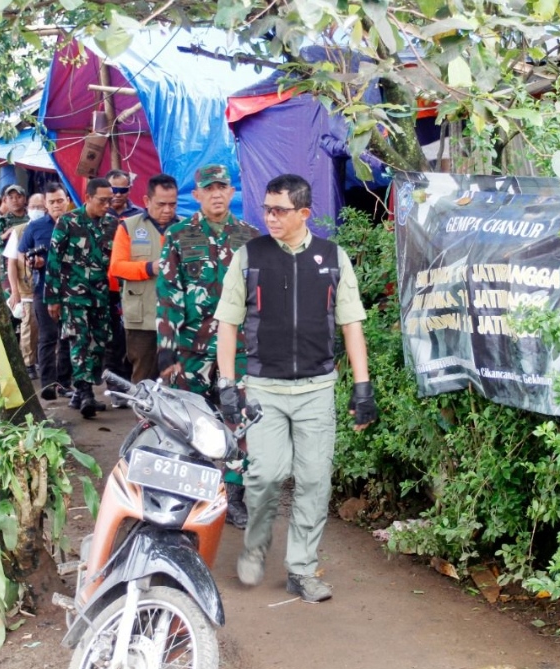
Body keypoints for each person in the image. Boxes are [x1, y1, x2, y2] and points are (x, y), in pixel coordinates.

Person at [215, 173, 377, 603]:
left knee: (313, 480)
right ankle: (255, 546)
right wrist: (227, 382)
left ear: (304, 212)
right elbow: (227, 324)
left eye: (280, 210)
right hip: (264, 387)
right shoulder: (248, 257)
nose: (271, 217)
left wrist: (363, 389)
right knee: (265, 475)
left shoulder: (332, 257)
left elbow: (351, 325)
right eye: (267, 208)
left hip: (317, 388)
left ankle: (301, 569)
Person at [156, 164, 258, 528]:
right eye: (208, 188)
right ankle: (183, 491)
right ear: (196, 195)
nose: (216, 194)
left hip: (240, 348)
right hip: (190, 350)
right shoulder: (179, 235)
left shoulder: (250, 237)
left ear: (232, 193)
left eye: (223, 187)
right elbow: (168, 293)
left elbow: (259, 299)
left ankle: (233, 496)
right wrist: (166, 348)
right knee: (183, 421)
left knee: (241, 421)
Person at [44, 178, 117, 418]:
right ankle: (85, 392)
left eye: (110, 200)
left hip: (100, 295)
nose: (107, 205)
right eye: (102, 200)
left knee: (99, 343)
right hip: (73, 296)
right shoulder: (68, 221)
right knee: (79, 340)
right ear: (87, 198)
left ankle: (80, 393)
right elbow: (53, 260)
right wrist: (52, 298)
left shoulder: (111, 223)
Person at [110, 173, 178, 383]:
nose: (167, 210)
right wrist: (150, 268)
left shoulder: (185, 230)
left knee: (175, 378)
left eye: (172, 204)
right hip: (142, 318)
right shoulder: (128, 227)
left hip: (176, 317)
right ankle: (143, 417)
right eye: (161, 204)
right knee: (143, 377)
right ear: (147, 201)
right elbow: (117, 268)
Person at [19, 182, 73, 400]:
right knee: (48, 337)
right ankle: (48, 384)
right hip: (43, 290)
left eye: (60, 200)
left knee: (68, 337)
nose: (57, 205)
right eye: (52, 202)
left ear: (67, 200)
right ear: (45, 204)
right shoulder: (35, 226)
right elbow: (23, 253)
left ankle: (65, 383)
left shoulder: (76, 224)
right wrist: (35, 262)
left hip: (72, 289)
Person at [101, 170, 137, 397]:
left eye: (122, 190)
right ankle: (114, 387)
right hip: (107, 290)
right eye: (113, 190)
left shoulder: (139, 217)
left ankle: (130, 384)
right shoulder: (99, 215)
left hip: (132, 288)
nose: (117, 195)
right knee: (111, 340)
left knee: (131, 338)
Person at [3, 216, 38, 379]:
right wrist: (14, 291)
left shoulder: (57, 226)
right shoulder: (19, 231)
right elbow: (11, 263)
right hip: (26, 288)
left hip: (48, 287)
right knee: (28, 325)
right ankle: (28, 363)